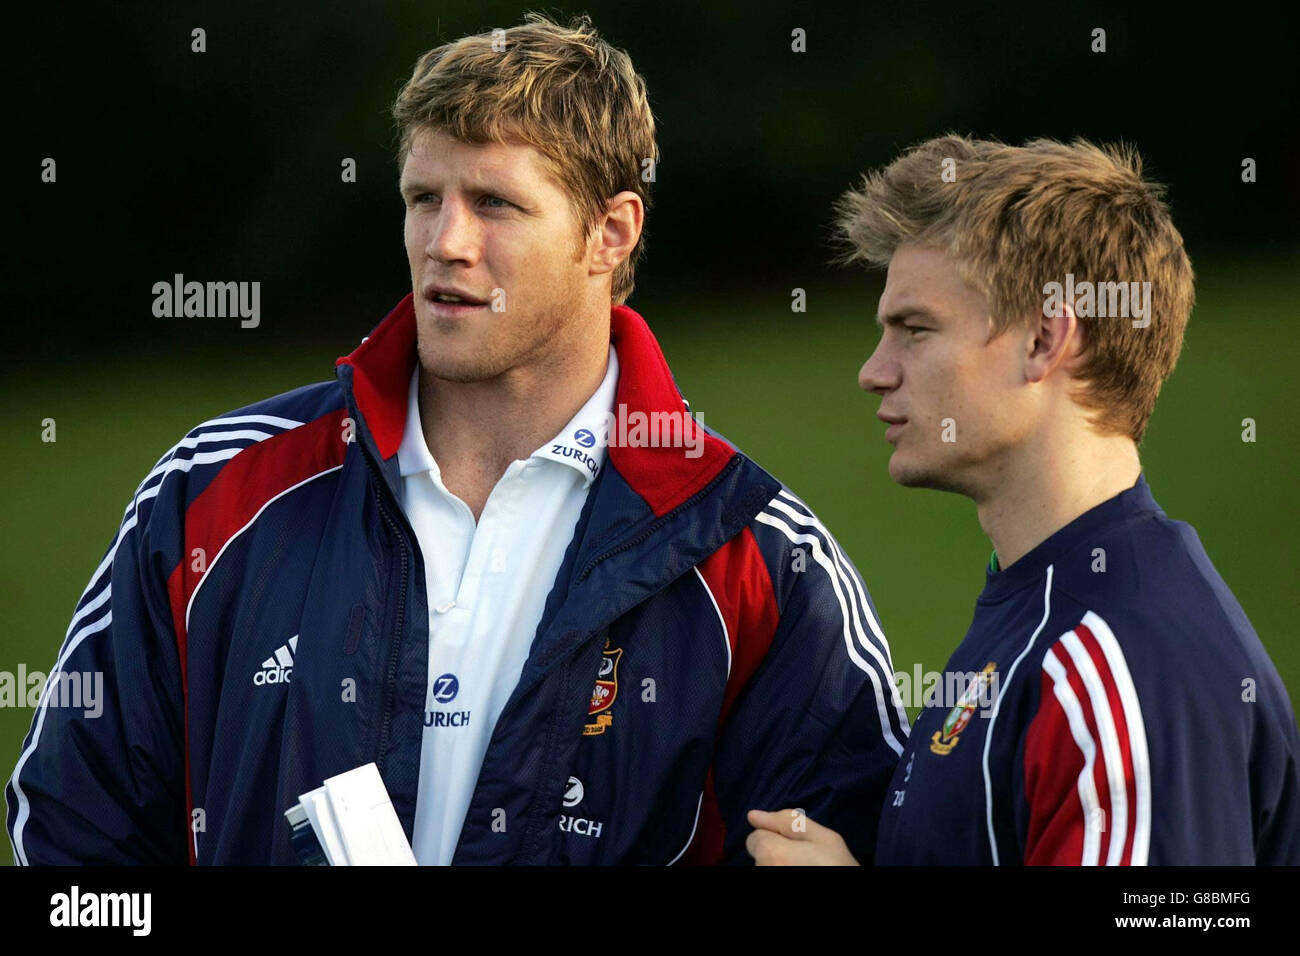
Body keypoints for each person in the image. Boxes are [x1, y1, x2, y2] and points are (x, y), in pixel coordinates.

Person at [6, 13, 907, 866]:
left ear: (611, 232)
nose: (445, 242)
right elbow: (70, 837)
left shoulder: (754, 555)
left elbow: (855, 839)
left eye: (494, 204)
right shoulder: (215, 491)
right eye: (422, 198)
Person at [746, 135, 1300, 865]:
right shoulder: (1045, 608)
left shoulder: (1123, 663)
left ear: (1043, 340)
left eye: (915, 330)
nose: (873, 372)